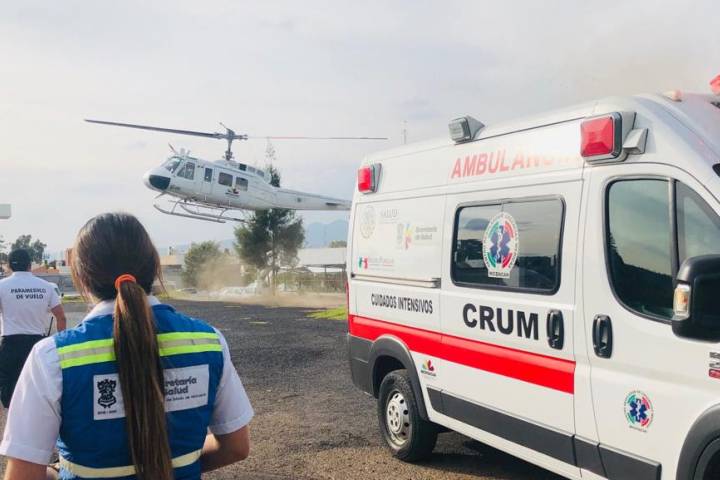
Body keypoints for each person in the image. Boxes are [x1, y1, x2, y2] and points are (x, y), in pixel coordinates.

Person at [0, 213, 253, 480]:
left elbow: (23, 475)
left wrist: (57, 471)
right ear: (154, 267)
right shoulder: (210, 341)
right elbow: (236, 447)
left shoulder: (52, 357)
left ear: (82, 277)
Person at [0, 248, 66, 408]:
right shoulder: (46, 286)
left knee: (10, 396)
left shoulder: (2, 286)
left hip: (10, 345)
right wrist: (60, 344)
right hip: (37, 345)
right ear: (29, 265)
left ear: (9, 266)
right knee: (37, 392)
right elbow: (61, 317)